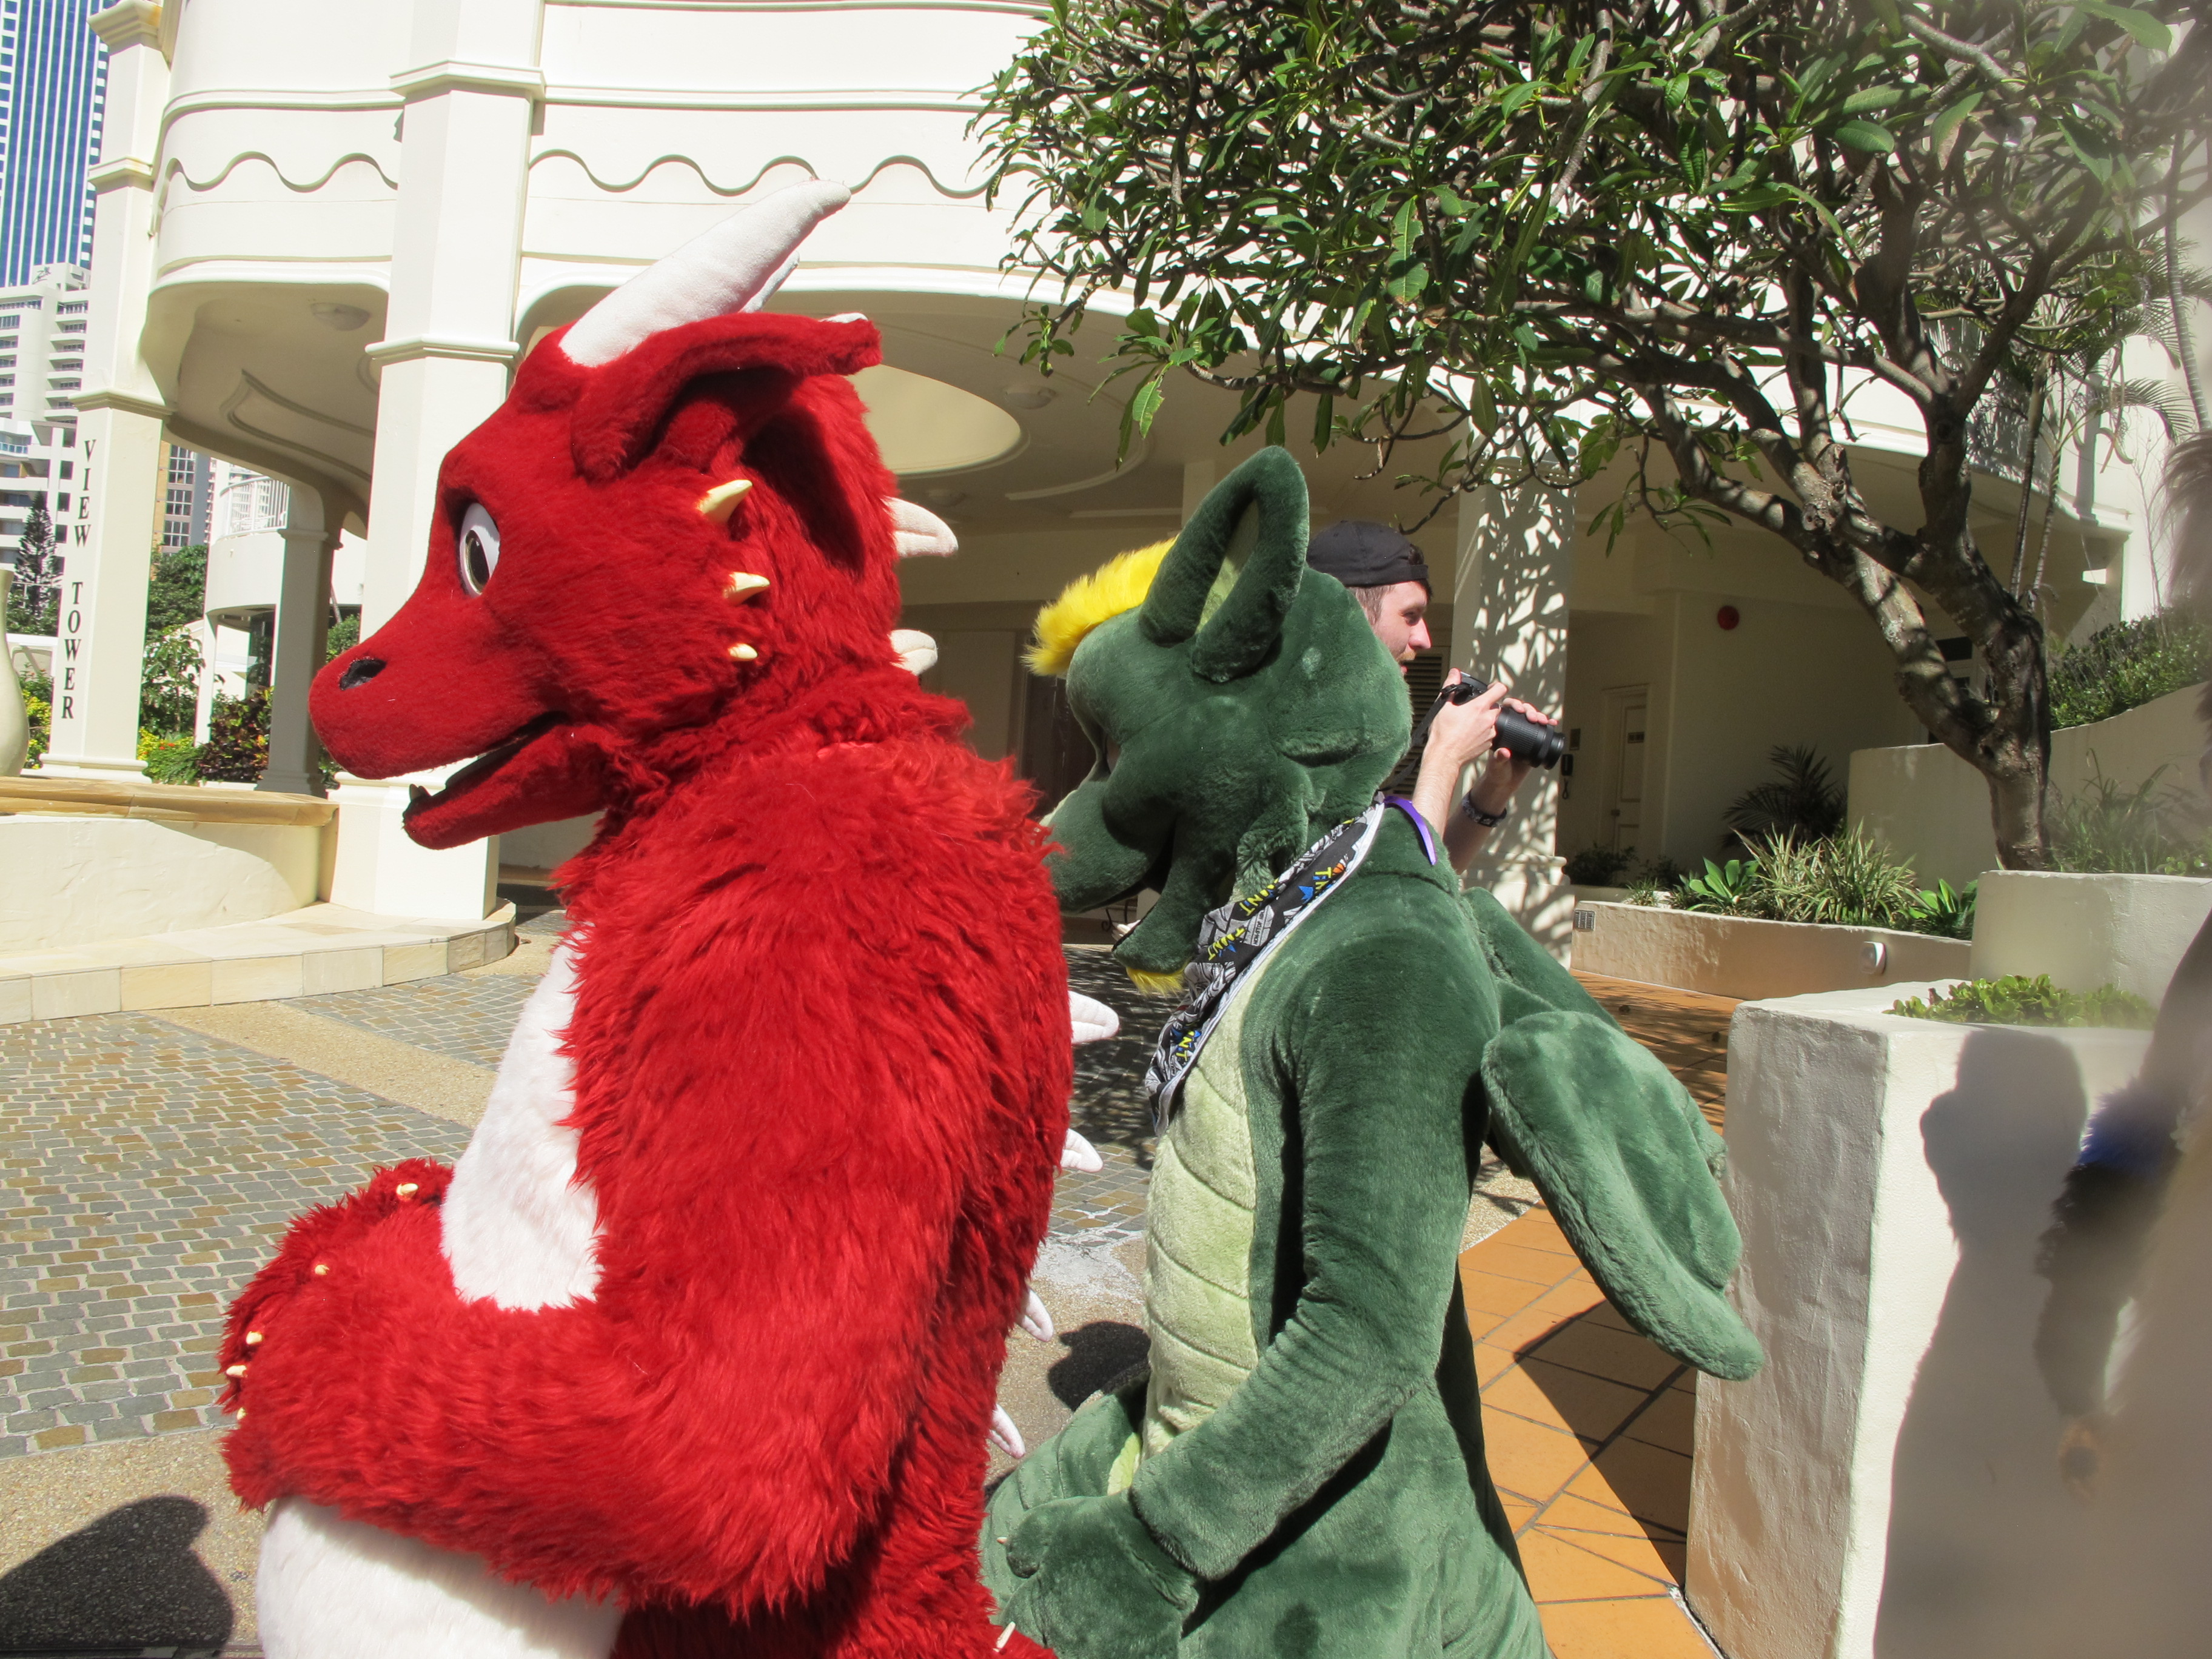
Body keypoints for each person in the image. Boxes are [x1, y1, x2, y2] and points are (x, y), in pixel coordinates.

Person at [1302, 520, 1559, 878]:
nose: (1424, 640)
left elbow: (1424, 880)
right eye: (1410, 616)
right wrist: (1444, 756)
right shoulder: (1289, 729)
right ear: (1348, 614)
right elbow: (1401, 894)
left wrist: (1492, 792)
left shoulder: (1351, 726)